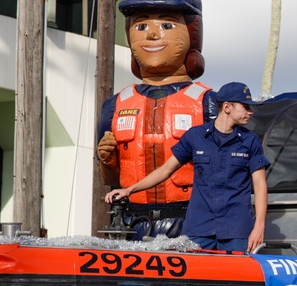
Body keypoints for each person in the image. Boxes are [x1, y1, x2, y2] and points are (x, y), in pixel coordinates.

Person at [96, 0, 217, 237]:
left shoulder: (208, 102)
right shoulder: (115, 105)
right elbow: (111, 179)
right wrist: (107, 160)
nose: (151, 34)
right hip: (132, 222)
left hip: (190, 221)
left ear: (193, 32)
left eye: (166, 24)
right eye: (140, 26)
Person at [105, 82, 270, 253]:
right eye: (246, 107)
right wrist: (129, 190)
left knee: (237, 279)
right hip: (199, 227)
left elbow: (260, 186)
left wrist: (259, 227)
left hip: (236, 229)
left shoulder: (250, 141)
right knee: (194, 279)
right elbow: (164, 170)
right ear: (227, 107)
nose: (250, 112)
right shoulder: (195, 136)